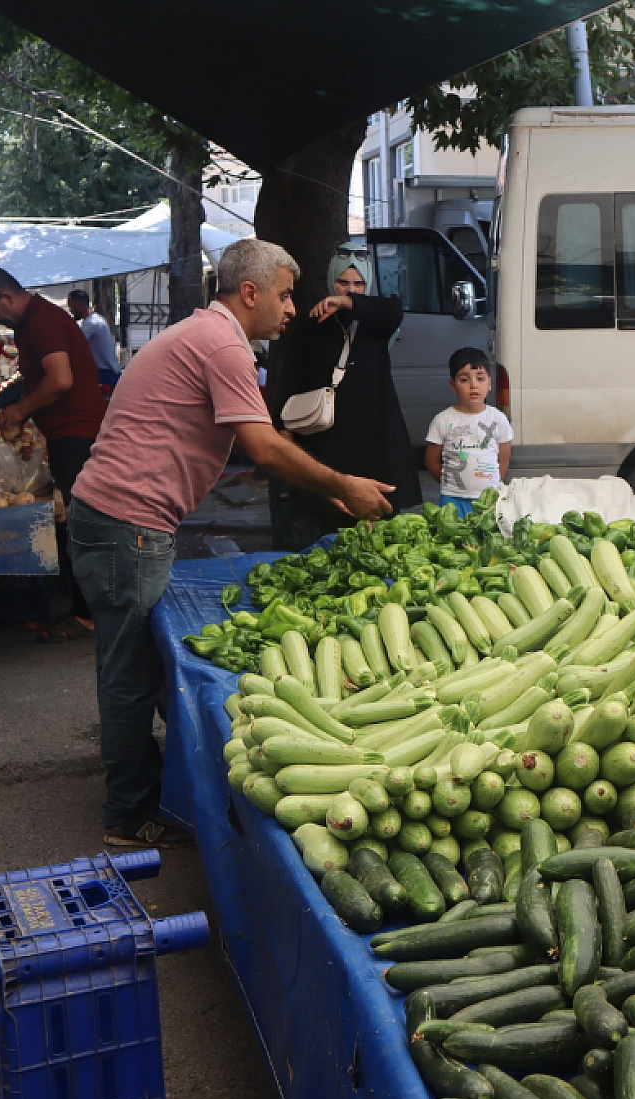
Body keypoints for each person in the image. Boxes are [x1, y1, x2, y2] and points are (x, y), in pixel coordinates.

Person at [68, 238, 395, 849]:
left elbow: (251, 449)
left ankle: (155, 788)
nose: (292, 308)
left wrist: (328, 493)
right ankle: (126, 814)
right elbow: (263, 445)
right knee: (128, 674)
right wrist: (344, 486)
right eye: (284, 294)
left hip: (118, 520)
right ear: (251, 292)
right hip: (124, 524)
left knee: (137, 666)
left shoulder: (206, 334)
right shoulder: (223, 344)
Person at [0, 265, 109, 644]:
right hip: (67, 432)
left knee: (81, 525)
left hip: (77, 434)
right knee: (78, 522)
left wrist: (19, 410)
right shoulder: (33, 322)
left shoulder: (42, 320)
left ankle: (88, 615)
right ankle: (86, 609)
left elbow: (60, 379)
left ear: (6, 298)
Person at [269, 246, 421, 543]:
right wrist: (284, 429)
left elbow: (393, 311)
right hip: (328, 440)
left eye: (358, 284)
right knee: (330, 524)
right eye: (343, 283)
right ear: (330, 282)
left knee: (380, 525)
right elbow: (291, 379)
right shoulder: (311, 324)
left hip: (375, 438)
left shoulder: (375, 321)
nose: (351, 290)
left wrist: (348, 302)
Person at [425, 348, 511, 514]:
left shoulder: (498, 419)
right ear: (453, 385)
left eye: (480, 378)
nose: (473, 385)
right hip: (452, 499)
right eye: (464, 380)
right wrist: (450, 485)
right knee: (453, 537)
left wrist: (494, 486)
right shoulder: (442, 420)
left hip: (488, 499)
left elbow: (504, 459)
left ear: (490, 384)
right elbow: (431, 462)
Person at [67, 290, 121, 389]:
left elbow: (74, 345)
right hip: (110, 372)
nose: (70, 310)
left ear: (78, 305)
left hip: (105, 374)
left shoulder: (91, 324)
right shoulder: (96, 319)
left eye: (71, 306)